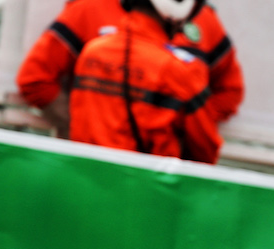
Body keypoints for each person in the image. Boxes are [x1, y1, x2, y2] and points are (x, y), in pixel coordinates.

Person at [16, 0, 243, 136]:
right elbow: (35, 79)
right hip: (92, 171)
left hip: (163, 180)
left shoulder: (204, 20)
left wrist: (188, 130)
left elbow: (230, 90)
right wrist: (86, 133)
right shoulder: (91, 7)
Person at [67, 0, 221, 164]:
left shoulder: (91, 52)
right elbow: (205, 150)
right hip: (145, 184)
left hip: (84, 178)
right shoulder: (181, 70)